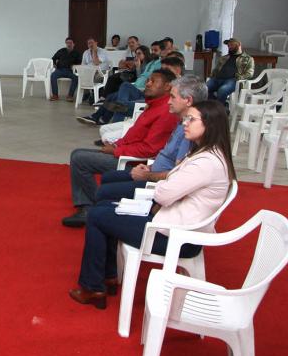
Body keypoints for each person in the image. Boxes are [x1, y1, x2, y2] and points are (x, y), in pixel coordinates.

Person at [68, 99, 236, 309]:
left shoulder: (205, 162)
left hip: (176, 236)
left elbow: (165, 195)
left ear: (209, 125)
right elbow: (170, 186)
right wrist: (163, 186)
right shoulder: (205, 154)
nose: (185, 123)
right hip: (173, 223)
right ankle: (106, 278)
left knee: (97, 215)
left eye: (191, 119)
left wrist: (160, 187)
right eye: (186, 118)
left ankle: (94, 286)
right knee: (102, 210)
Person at [62, 69, 179, 227]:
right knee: (78, 153)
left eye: (153, 81)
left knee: (79, 159)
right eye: (148, 80)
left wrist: (116, 151)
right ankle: (89, 203)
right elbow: (135, 136)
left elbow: (150, 149)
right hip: (126, 151)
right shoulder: (153, 105)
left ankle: (90, 207)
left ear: (167, 87)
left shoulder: (165, 111)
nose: (148, 83)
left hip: (134, 162)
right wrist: (118, 144)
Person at [94, 75, 208, 204]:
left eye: (172, 97)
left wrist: (147, 175)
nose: (168, 101)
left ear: (188, 100)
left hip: (158, 185)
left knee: (103, 193)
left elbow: (178, 175)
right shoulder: (181, 122)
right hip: (152, 172)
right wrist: (150, 167)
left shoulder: (189, 131)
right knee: (108, 178)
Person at [78, 47, 161, 126]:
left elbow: (144, 80)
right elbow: (140, 78)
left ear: (145, 54)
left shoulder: (154, 65)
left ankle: (102, 117)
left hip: (139, 90)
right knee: (111, 96)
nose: (137, 56)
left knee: (122, 88)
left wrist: (138, 67)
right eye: (136, 54)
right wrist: (137, 66)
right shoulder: (149, 63)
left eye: (139, 54)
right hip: (135, 87)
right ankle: (99, 118)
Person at [207, 38, 254, 104]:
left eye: (232, 45)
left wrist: (239, 77)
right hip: (217, 79)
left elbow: (250, 73)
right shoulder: (224, 58)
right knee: (204, 88)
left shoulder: (248, 58)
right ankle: (217, 104)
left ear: (239, 44)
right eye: (228, 46)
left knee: (222, 90)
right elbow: (216, 69)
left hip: (232, 80)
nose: (230, 47)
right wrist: (211, 76)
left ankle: (219, 109)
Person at [50, 37, 82, 101]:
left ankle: (70, 96)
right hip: (60, 70)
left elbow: (80, 62)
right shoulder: (61, 50)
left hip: (71, 71)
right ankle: (55, 95)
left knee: (76, 78)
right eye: (67, 43)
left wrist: (75, 65)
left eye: (70, 43)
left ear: (73, 44)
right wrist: (54, 64)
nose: (69, 44)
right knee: (53, 76)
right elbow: (53, 58)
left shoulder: (77, 53)